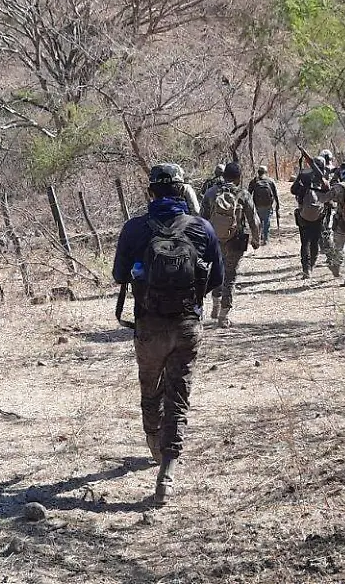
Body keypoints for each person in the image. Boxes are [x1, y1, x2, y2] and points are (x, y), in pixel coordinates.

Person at [113, 163, 224, 505]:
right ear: (181, 191)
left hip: (148, 325)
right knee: (178, 395)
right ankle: (168, 471)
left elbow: (119, 275)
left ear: (150, 192)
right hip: (187, 326)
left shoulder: (134, 229)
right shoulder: (202, 228)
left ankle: (153, 442)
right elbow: (218, 279)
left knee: (151, 390)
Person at [201, 162, 261, 328]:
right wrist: (256, 239)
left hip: (214, 240)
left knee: (217, 271)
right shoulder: (243, 194)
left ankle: (215, 304)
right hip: (236, 240)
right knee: (230, 276)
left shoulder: (210, 193)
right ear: (238, 178)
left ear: (223, 175)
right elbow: (254, 220)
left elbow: (201, 219)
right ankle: (223, 315)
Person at [291, 152, 332, 279]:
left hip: (303, 213)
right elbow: (329, 197)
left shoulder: (304, 174)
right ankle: (312, 265)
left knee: (305, 242)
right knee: (315, 241)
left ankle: (306, 269)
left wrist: (302, 189)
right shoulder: (325, 179)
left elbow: (293, 190)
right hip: (319, 215)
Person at [248, 165, 280, 245]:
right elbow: (275, 194)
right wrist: (277, 205)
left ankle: (258, 238)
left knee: (258, 222)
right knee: (266, 222)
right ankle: (265, 239)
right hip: (267, 205)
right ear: (266, 172)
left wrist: (249, 206)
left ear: (258, 172)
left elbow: (248, 194)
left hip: (257, 205)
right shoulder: (270, 181)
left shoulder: (254, 181)